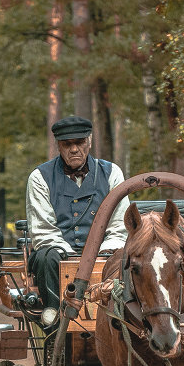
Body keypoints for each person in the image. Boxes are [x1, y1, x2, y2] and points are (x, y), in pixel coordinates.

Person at [25, 115, 129, 326]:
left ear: (89, 142)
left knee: (128, 259)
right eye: (67, 144)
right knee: (45, 257)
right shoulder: (39, 177)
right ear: (58, 146)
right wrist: (72, 258)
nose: (74, 149)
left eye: (79, 142)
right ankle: (54, 318)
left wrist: (101, 254)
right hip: (58, 255)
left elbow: (119, 226)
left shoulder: (112, 173)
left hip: (104, 252)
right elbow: (44, 232)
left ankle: (121, 318)